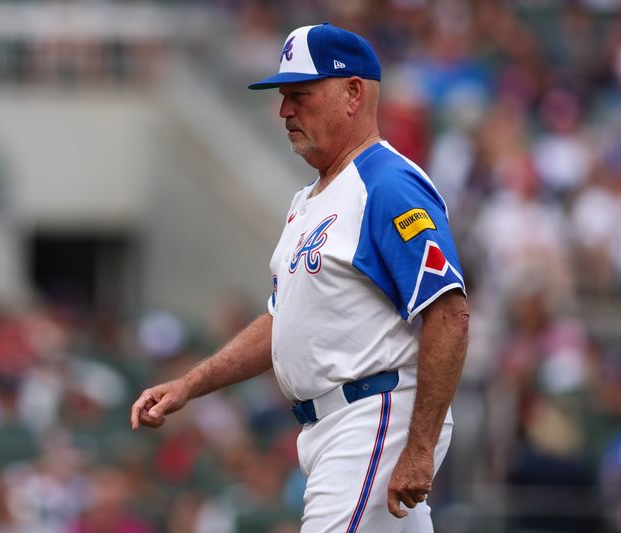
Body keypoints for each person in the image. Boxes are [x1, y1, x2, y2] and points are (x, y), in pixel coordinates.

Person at [131, 23, 469, 533]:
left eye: (300, 95)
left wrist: (419, 447)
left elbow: (448, 311)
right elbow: (280, 322)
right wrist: (190, 384)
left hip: (372, 417)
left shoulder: (387, 185)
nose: (285, 110)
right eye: (283, 96)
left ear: (353, 92)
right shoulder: (309, 200)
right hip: (332, 427)